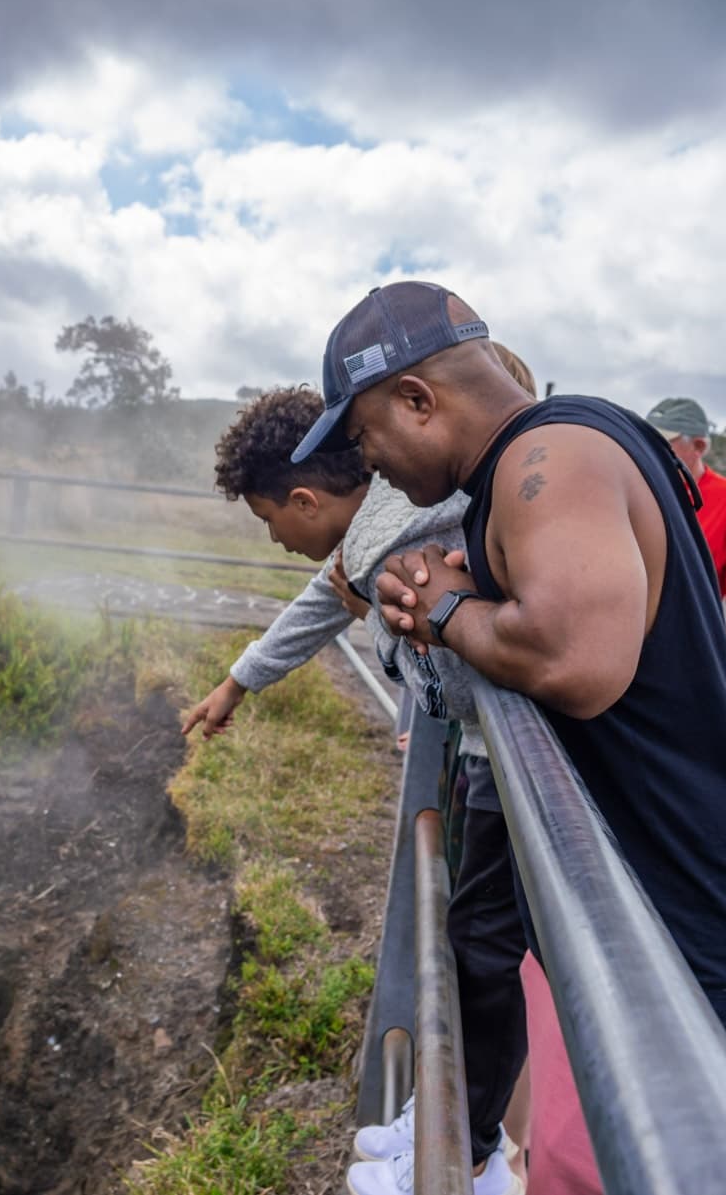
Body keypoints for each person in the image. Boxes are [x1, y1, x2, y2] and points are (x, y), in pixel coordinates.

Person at [291, 280, 726, 1195]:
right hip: (636, 914)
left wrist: (448, 607)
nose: (369, 463)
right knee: (564, 1165)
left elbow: (575, 658)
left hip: (692, 928)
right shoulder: (527, 468)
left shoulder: (553, 453)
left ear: (419, 400)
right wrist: (466, 602)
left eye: (366, 435)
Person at [181, 379, 531, 1195]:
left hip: (509, 765)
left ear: (305, 498)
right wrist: (238, 683)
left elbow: (448, 684)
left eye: (272, 523)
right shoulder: (377, 524)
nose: (275, 542)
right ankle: (459, 1129)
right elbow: (323, 600)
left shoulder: (382, 545)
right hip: (492, 761)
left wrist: (373, 619)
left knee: (482, 949)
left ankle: (473, 1153)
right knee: (475, 945)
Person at [643, 397, 726, 659]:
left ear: (699, 446)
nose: (650, 450)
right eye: (646, 440)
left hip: (688, 654)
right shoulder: (638, 490)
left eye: (663, 443)